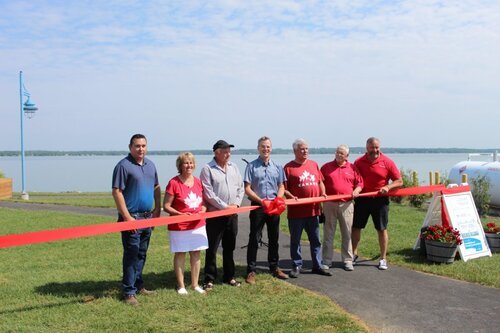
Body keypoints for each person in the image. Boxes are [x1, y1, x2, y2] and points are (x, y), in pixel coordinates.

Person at [112, 133, 161, 306]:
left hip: (148, 217)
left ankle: (138, 284)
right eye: (137, 146)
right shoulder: (123, 166)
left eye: (143, 146)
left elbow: (156, 187)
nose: (141, 149)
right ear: (130, 147)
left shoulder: (150, 165)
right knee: (131, 254)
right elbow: (117, 192)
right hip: (131, 218)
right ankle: (128, 291)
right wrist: (127, 217)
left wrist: (157, 209)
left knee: (142, 253)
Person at [352, 137, 403, 270]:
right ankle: (353, 254)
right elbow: (353, 179)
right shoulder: (358, 162)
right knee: (356, 227)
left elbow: (399, 181)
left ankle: (383, 259)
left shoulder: (387, 162)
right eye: (371, 147)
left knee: (381, 229)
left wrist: (388, 187)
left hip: (380, 201)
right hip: (362, 200)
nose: (374, 150)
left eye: (376, 147)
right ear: (366, 148)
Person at [284, 138, 331, 278]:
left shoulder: (314, 164)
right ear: (295, 151)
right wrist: (291, 196)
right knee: (295, 240)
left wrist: (323, 193)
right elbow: (283, 189)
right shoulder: (288, 168)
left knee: (316, 240)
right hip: (296, 213)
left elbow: (320, 182)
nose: (305, 151)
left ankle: (317, 265)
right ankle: (296, 265)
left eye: (306, 149)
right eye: (302, 149)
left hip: (314, 211)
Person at [244, 136, 289, 284]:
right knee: (254, 239)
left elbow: (281, 186)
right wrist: (261, 201)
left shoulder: (277, 167)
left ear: (271, 148)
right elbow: (247, 189)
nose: (266, 149)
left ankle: (274, 267)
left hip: (274, 206)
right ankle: (251, 270)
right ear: (258, 148)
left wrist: (278, 199)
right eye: (263, 146)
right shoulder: (251, 166)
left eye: (268, 147)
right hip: (258, 206)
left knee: (274, 238)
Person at [200, 140, 244, 290]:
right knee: (212, 248)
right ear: (216, 152)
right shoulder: (207, 169)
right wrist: (225, 207)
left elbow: (241, 188)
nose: (228, 153)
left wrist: (236, 205)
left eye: (229, 151)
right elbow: (208, 194)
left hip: (232, 214)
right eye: (224, 151)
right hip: (216, 215)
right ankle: (209, 279)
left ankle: (229, 276)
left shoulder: (234, 167)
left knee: (229, 246)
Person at [163, 152, 208, 295]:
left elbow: (204, 203)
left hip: (198, 225)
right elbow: (166, 206)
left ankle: (195, 284)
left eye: (191, 163)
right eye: (186, 163)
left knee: (196, 253)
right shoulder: (173, 183)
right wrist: (180, 214)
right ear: (180, 165)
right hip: (179, 226)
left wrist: (203, 209)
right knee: (180, 253)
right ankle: (181, 286)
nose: (189, 165)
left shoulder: (198, 182)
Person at [320, 144, 363, 271]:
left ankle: (348, 260)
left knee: (347, 233)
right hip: (330, 204)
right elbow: (320, 181)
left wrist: (357, 190)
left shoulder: (352, 168)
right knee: (328, 233)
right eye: (337, 152)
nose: (339, 155)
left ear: (347, 156)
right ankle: (327, 260)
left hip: (347, 204)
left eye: (342, 153)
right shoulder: (326, 167)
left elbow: (360, 183)